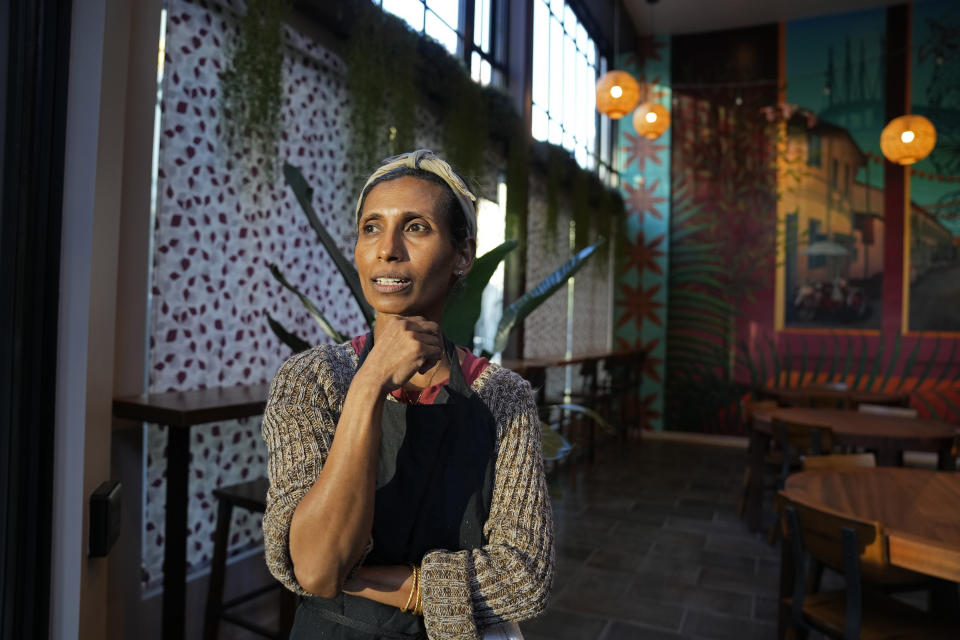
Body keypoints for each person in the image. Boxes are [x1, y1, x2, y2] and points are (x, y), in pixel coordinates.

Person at [261, 149, 554, 640]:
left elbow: (525, 576)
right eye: (371, 228)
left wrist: (410, 587)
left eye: (416, 227)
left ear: (463, 255)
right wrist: (370, 383)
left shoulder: (504, 397)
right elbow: (314, 568)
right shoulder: (310, 380)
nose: (387, 249)